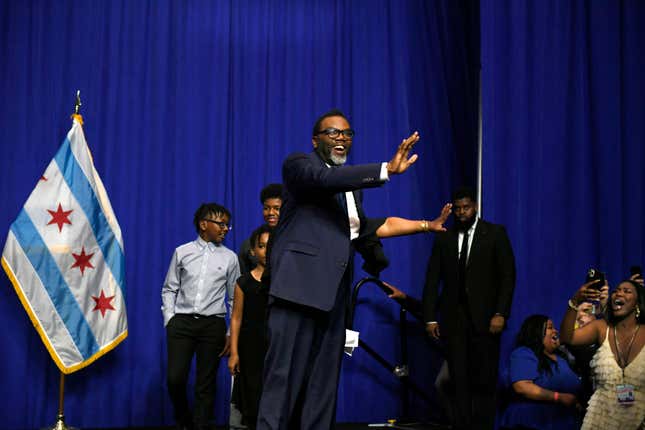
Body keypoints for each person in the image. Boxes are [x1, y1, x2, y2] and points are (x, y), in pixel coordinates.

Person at [256, 108, 451, 430]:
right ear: (315, 139)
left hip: (333, 297)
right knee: (283, 376)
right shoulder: (299, 165)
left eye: (347, 134)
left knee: (323, 384)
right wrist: (386, 169)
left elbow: (369, 227)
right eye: (333, 133)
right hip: (298, 291)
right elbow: (324, 179)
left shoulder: (352, 189)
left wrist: (426, 225)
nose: (342, 138)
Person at [422, 186, 516, 430]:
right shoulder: (444, 237)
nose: (462, 212)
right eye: (458, 208)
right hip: (454, 321)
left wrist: (501, 313)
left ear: (475, 207)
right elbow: (433, 279)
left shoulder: (494, 233)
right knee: (458, 381)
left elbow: (508, 276)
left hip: (486, 321)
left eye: (467, 207)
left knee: (485, 380)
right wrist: (430, 317)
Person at [161, 203, 240, 430]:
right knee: (175, 380)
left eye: (227, 225)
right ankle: (184, 420)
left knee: (206, 384)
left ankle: (201, 425)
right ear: (204, 224)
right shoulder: (182, 252)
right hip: (182, 324)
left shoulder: (230, 258)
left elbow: (234, 298)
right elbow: (169, 288)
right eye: (221, 223)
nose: (225, 228)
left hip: (212, 325)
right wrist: (170, 319)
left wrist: (228, 332)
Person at [560, 279, 645, 429]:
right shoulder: (601, 328)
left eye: (627, 291)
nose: (619, 293)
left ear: (637, 303)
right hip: (600, 420)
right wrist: (575, 301)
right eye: (616, 290)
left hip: (638, 420)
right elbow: (568, 338)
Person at [499, 315, 582, 429]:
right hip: (529, 423)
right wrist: (558, 397)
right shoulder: (524, 353)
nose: (555, 331)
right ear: (536, 332)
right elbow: (522, 386)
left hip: (562, 422)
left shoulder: (562, 359)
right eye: (550, 327)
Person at [229, 224, 272, 429]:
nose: (267, 251)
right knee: (253, 399)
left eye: (272, 246)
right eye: (262, 246)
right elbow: (236, 318)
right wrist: (234, 353)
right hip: (250, 349)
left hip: (276, 346)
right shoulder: (243, 282)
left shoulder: (285, 280)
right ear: (253, 251)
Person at [238, 184, 283, 274]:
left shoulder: (294, 240)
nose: (270, 213)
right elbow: (243, 280)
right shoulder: (250, 244)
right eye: (266, 208)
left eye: (276, 208)